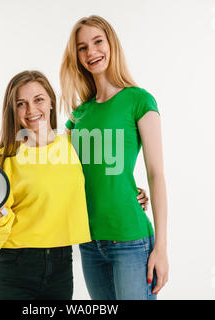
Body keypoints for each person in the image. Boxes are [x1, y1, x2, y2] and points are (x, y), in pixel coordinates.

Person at [60, 15, 169, 300]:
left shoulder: (139, 100)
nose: (91, 52)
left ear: (112, 44)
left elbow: (156, 173)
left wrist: (162, 248)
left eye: (98, 41)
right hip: (89, 242)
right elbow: (59, 170)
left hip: (130, 240)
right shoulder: (78, 115)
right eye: (82, 47)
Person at [0, 70, 92, 300]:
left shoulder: (74, 146)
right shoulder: (5, 158)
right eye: (21, 103)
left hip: (61, 267)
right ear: (13, 110)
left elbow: (102, 181)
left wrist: (134, 193)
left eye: (38, 99)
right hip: (14, 268)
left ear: (51, 102)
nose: (31, 110)